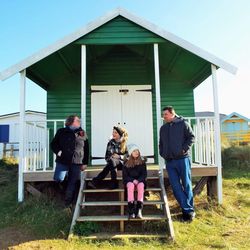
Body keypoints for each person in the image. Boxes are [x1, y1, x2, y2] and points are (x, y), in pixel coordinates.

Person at [159, 106, 195, 222]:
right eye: (163, 115)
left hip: (182, 159)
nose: (164, 117)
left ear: (172, 114)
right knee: (175, 187)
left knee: (186, 184)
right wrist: (162, 153)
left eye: (165, 114)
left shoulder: (183, 124)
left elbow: (191, 137)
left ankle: (188, 211)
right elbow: (161, 143)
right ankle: (187, 209)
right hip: (169, 161)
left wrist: (183, 149)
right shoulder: (163, 128)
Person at [50, 115, 89, 208]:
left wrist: (85, 162)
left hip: (77, 161)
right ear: (71, 122)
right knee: (59, 179)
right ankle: (63, 194)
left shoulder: (82, 132)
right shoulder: (61, 131)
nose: (79, 121)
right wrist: (59, 152)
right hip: (63, 160)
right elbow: (53, 144)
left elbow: (86, 148)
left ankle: (68, 202)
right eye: (77, 120)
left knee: (73, 181)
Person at [123, 144, 147, 219]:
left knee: (141, 186)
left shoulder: (142, 162)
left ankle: (139, 210)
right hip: (130, 181)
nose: (136, 152)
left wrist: (139, 180)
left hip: (140, 180)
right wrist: (133, 180)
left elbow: (144, 174)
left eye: (137, 150)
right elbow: (125, 176)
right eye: (134, 151)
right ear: (130, 153)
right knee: (130, 186)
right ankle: (131, 210)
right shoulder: (126, 163)